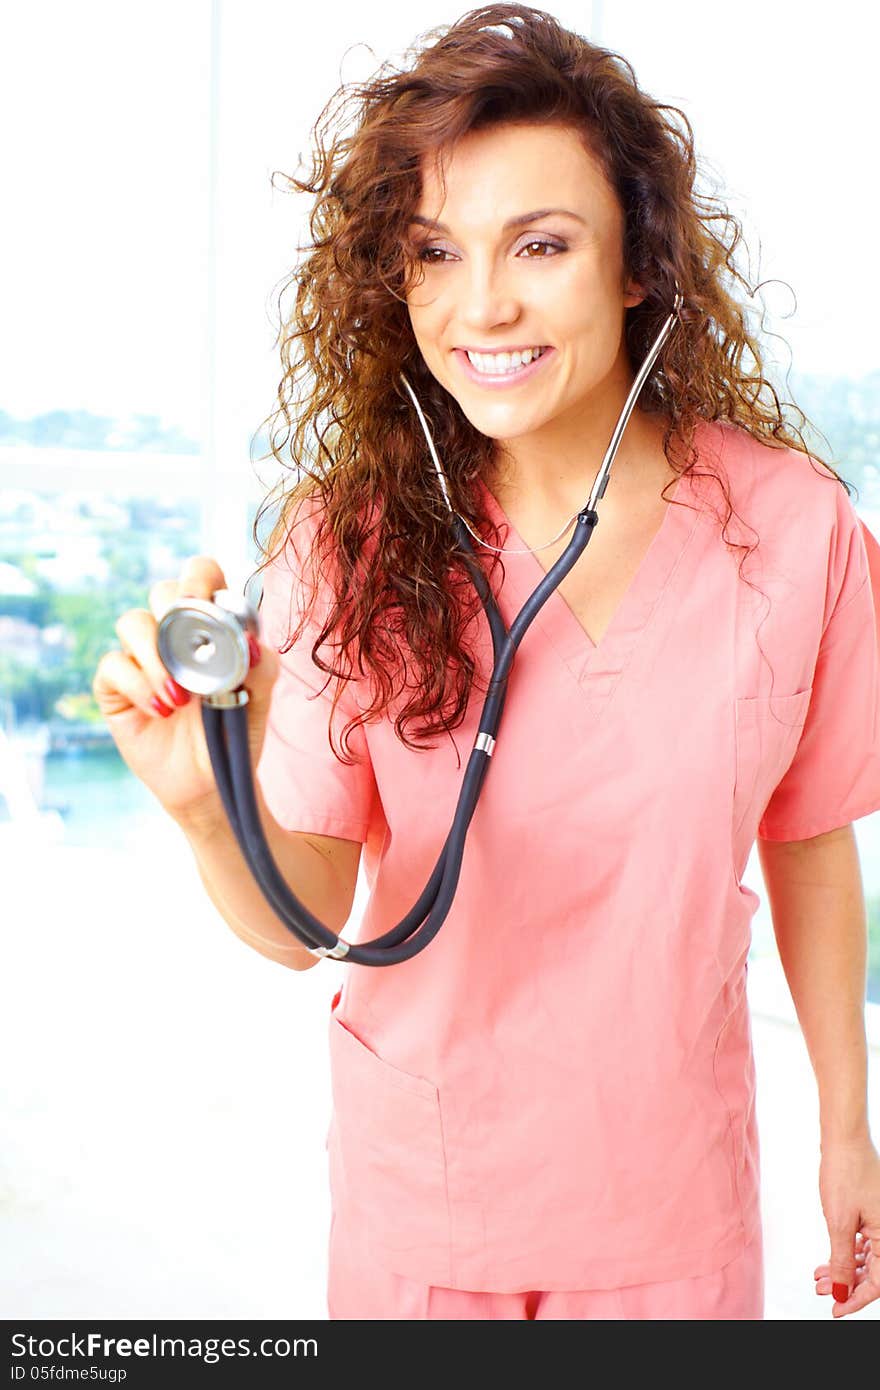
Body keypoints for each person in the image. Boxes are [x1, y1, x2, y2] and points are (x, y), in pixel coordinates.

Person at [93, 3, 880, 1320]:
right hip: (423, 1213)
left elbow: (809, 838)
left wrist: (847, 1128)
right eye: (434, 253)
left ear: (639, 260)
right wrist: (198, 797)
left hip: (672, 1214)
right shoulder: (344, 541)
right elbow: (305, 921)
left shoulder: (796, 532)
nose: (483, 306)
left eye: (543, 243)